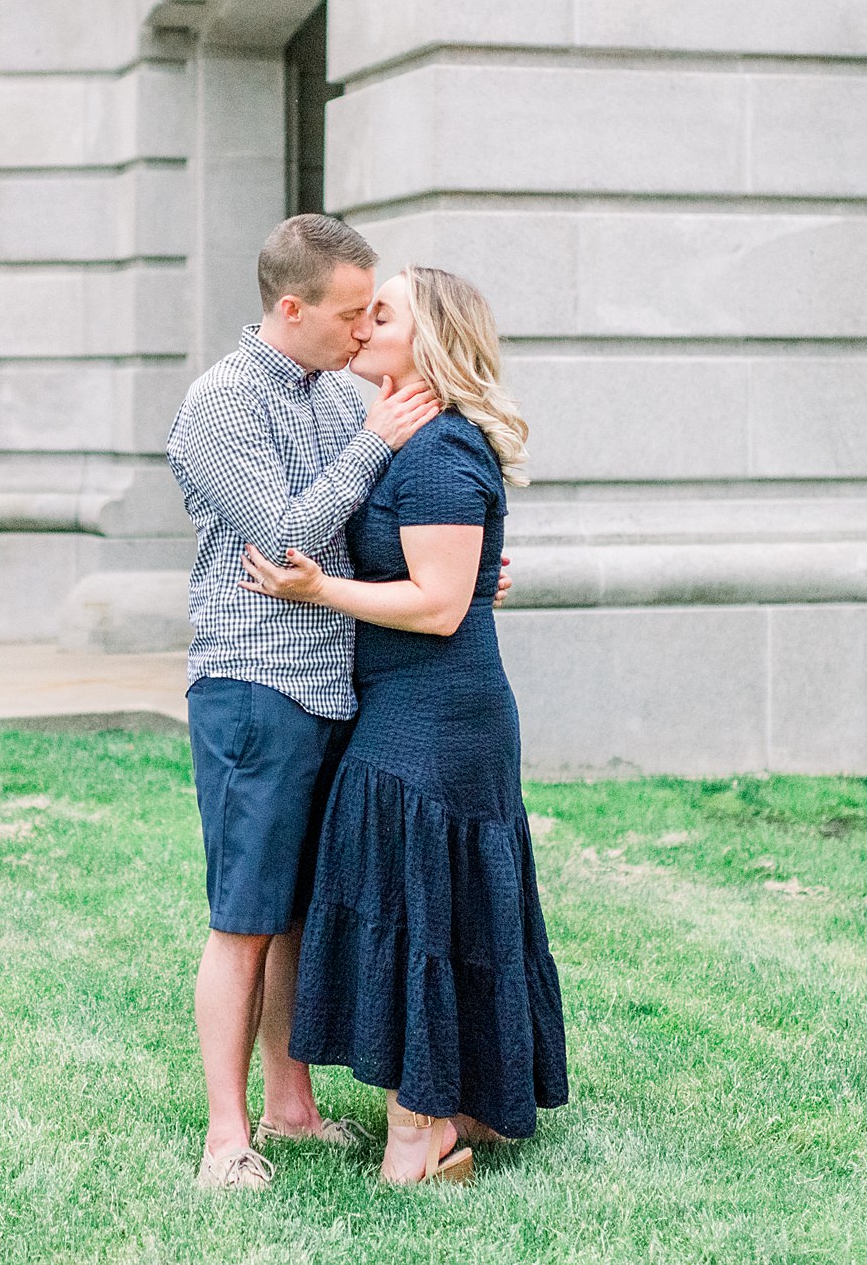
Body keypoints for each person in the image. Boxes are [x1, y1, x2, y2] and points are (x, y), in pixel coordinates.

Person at [242, 265, 568, 1187]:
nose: (361, 326)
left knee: (422, 900)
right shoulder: (398, 440)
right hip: (412, 709)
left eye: (381, 314)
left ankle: (416, 1142)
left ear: (429, 342)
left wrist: (315, 589)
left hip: (437, 719)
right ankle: (461, 1110)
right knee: (424, 902)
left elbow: (435, 606)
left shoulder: (437, 452)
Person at [164, 214, 443, 1193]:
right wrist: (372, 441)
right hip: (255, 689)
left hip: (338, 688)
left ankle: (292, 1106)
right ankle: (225, 1139)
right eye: (351, 313)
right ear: (293, 308)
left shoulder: (334, 396)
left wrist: (465, 568)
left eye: (377, 313)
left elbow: (356, 528)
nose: (366, 331)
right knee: (244, 916)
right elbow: (287, 536)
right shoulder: (222, 404)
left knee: (296, 919)